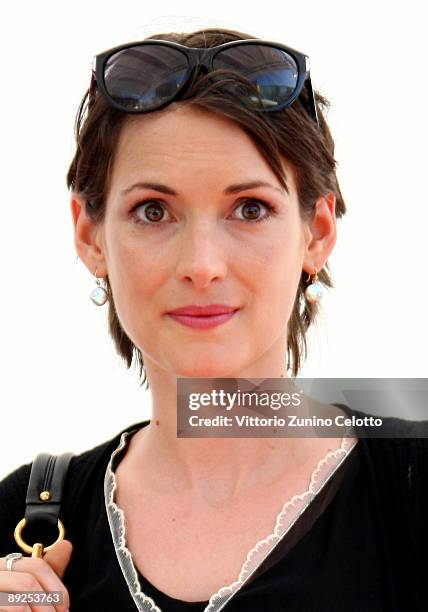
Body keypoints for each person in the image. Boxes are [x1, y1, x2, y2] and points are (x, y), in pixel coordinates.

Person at [0, 26, 426, 612]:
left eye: (250, 209)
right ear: (89, 234)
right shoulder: (24, 524)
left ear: (317, 232)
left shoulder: (410, 480)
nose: (202, 266)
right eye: (154, 211)